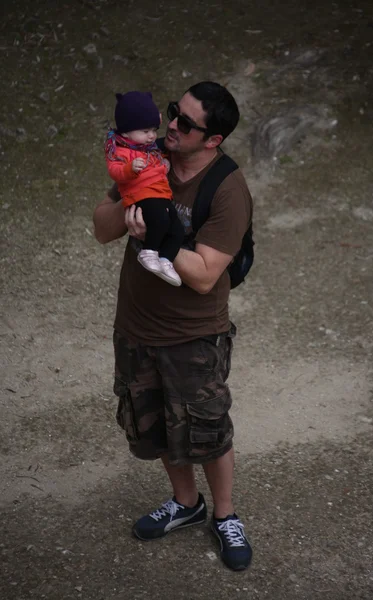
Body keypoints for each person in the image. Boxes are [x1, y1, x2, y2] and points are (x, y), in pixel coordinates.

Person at [93, 81, 253, 571]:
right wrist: (130, 205)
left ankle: (224, 515)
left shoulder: (227, 188)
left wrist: (159, 241)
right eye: (171, 113)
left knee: (208, 432)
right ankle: (186, 504)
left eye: (185, 123)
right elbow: (101, 227)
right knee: (158, 427)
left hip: (194, 334)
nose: (170, 126)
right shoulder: (147, 156)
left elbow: (205, 276)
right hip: (137, 324)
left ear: (213, 140)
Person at [105, 91, 184, 286]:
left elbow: (156, 161)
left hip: (161, 195)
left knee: (177, 230)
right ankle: (149, 252)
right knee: (160, 220)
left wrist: (163, 164)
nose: (152, 136)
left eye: (154, 130)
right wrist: (129, 169)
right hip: (141, 194)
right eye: (145, 131)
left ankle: (165, 259)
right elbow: (115, 171)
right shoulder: (122, 151)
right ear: (126, 132)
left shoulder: (149, 149)